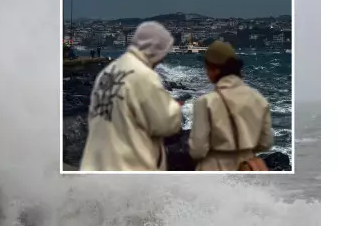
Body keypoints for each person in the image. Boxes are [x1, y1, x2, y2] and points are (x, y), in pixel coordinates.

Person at [80, 22, 182, 171]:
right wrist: (176, 109)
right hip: (127, 168)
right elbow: (165, 124)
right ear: (156, 51)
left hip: (95, 165)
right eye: (163, 55)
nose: (162, 61)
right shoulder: (144, 76)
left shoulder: (107, 71)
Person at [189, 41, 273, 171]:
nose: (206, 73)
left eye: (207, 68)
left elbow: (197, 150)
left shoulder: (205, 102)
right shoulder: (259, 99)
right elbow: (266, 143)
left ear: (216, 70)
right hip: (249, 168)